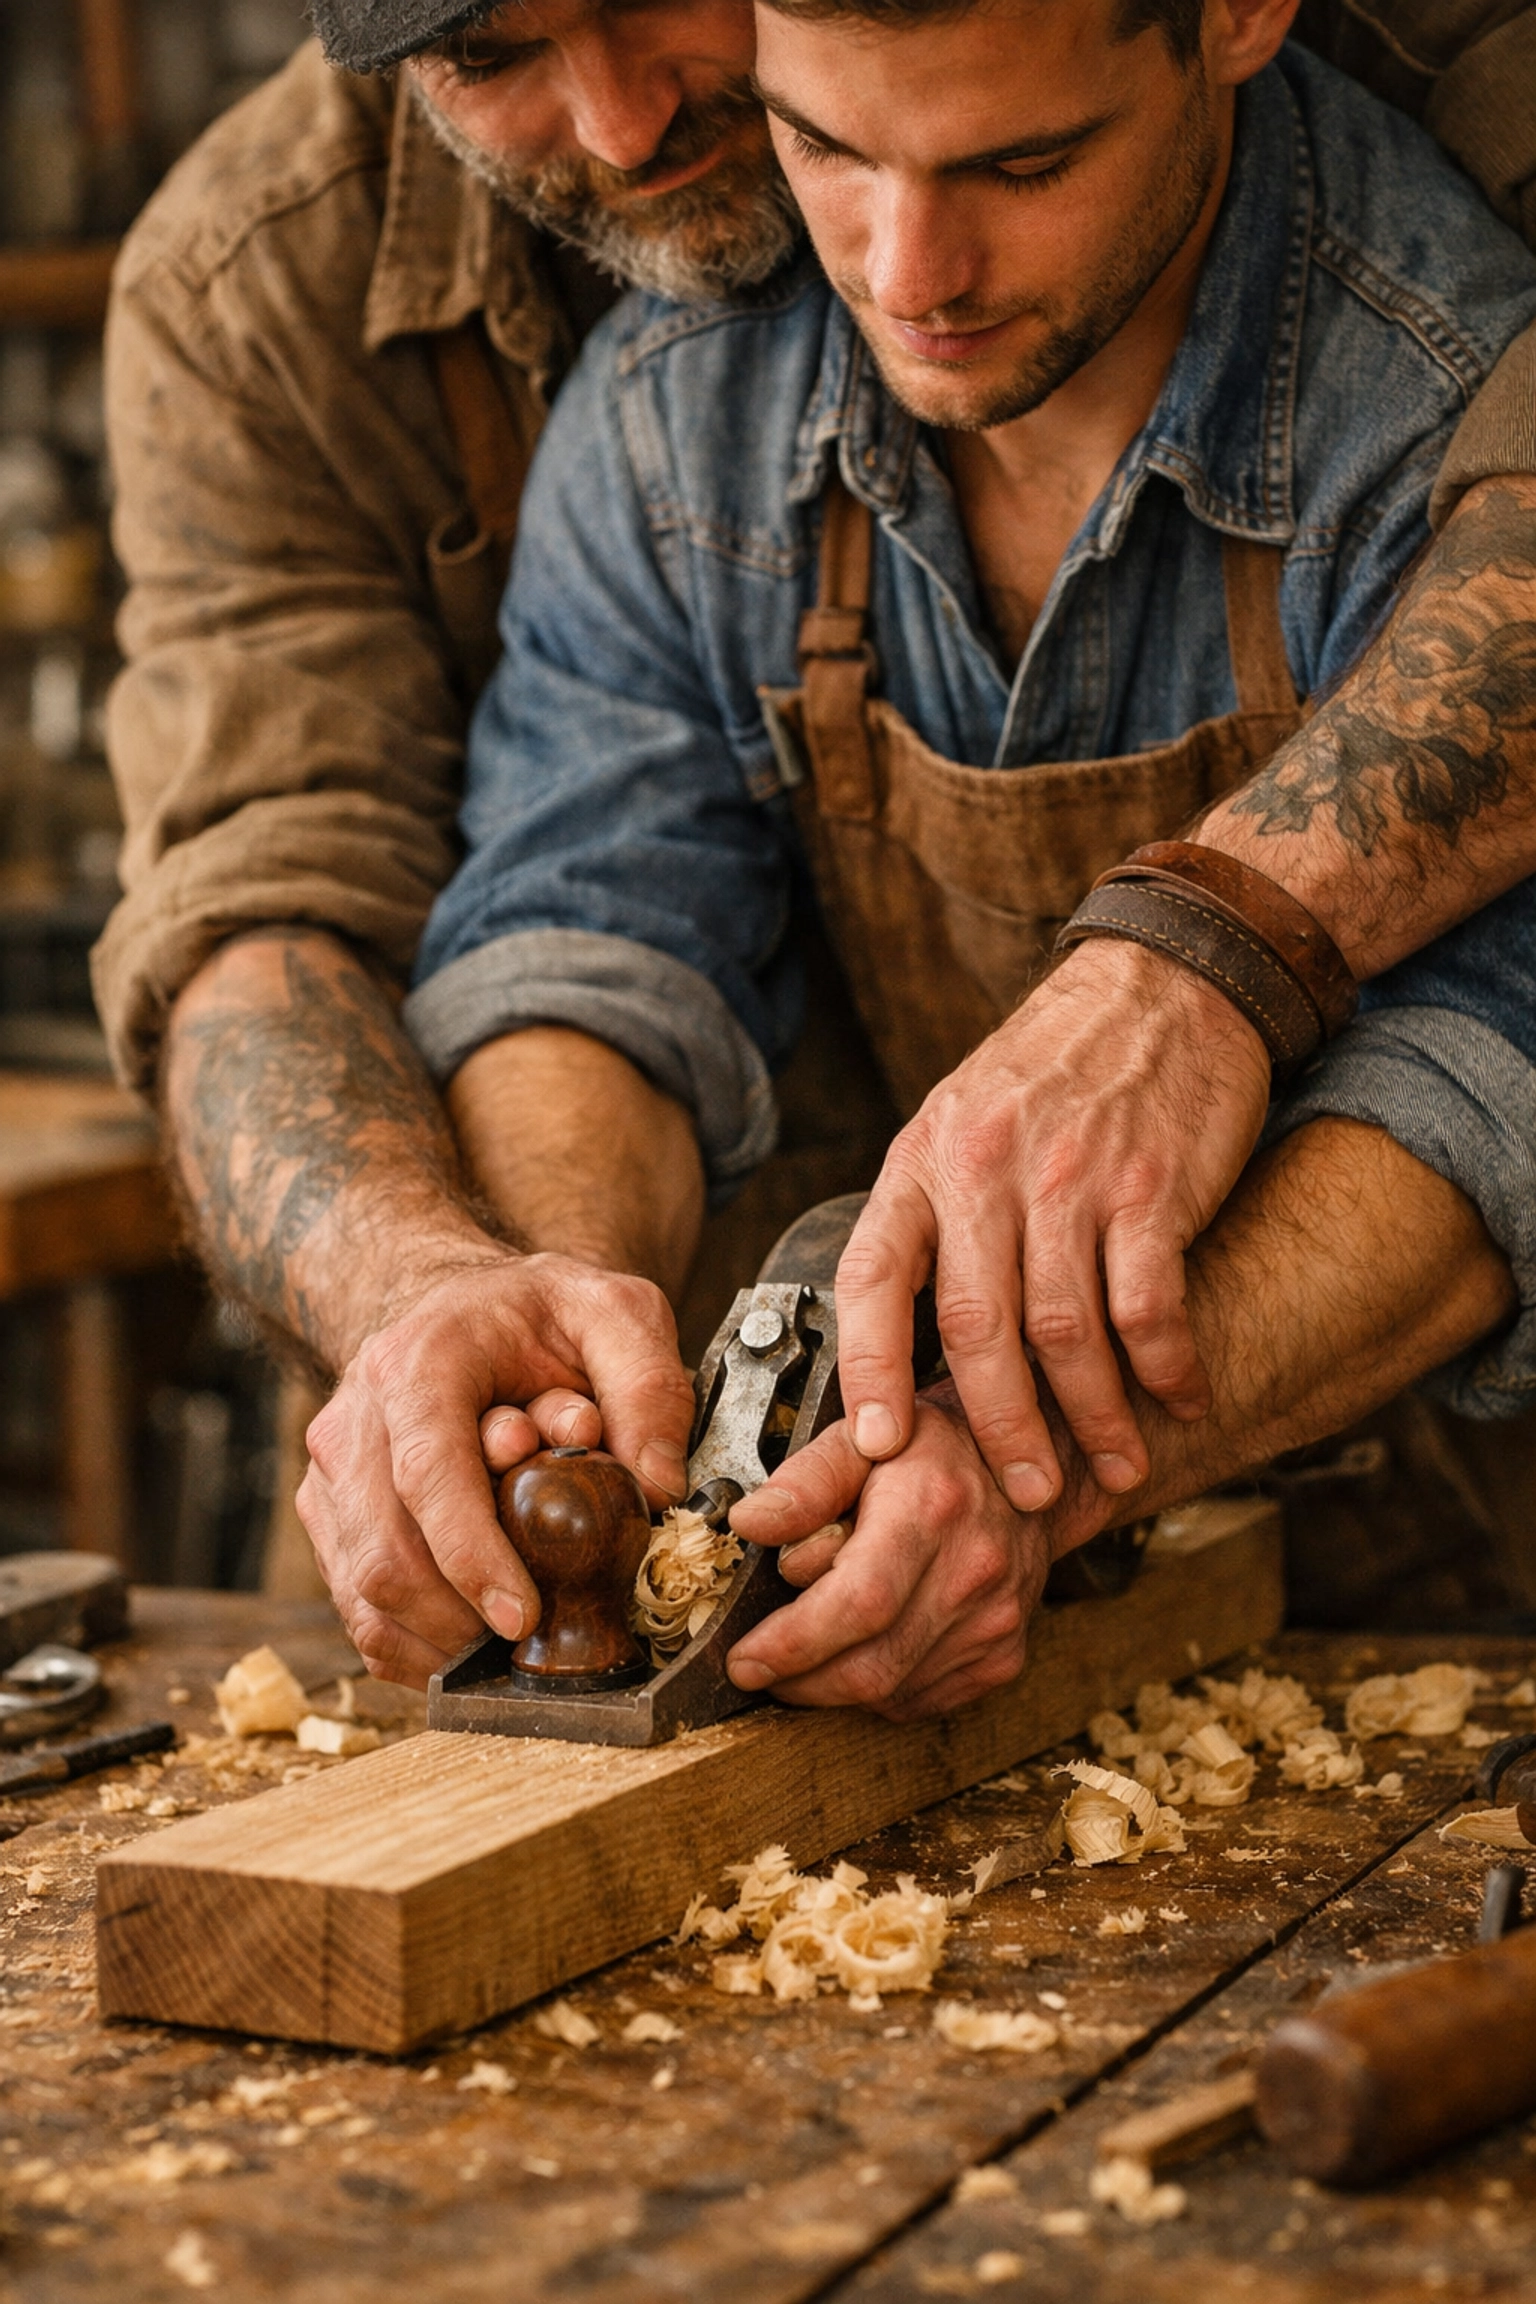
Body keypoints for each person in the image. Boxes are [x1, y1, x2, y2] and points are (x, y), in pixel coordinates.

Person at [97, 0, 1536, 1687]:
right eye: (828, 148)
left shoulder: (1428, 369)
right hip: (864, 1535)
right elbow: (593, 918)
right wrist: (534, 1297)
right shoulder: (671, 387)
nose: (908, 273)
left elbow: (1494, 1051)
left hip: (1435, 1579)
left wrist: (1040, 1430)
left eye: (1020, 163)